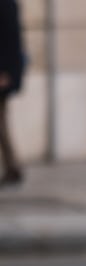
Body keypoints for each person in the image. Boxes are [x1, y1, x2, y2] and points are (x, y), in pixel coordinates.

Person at [0, 0, 24, 187]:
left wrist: (6, 73)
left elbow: (11, 41)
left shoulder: (6, 4)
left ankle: (13, 167)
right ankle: (13, 167)